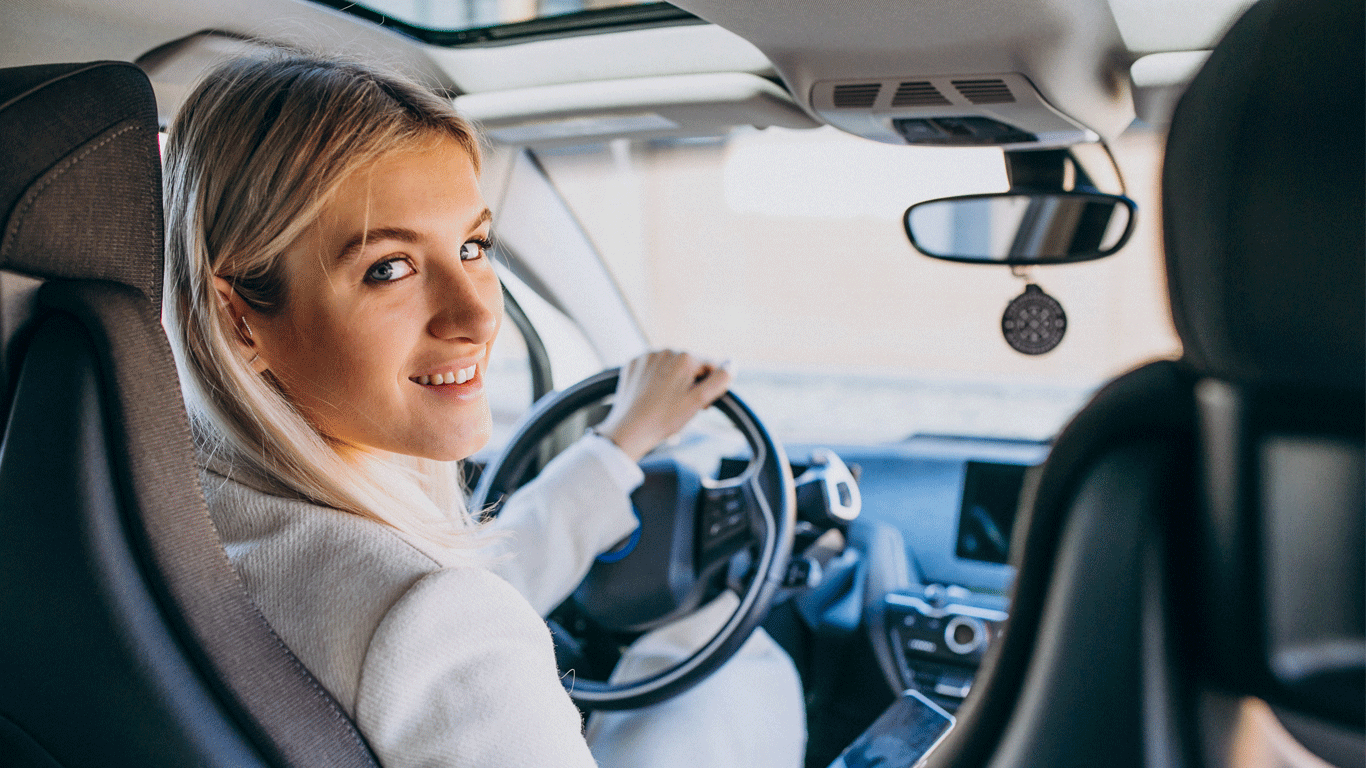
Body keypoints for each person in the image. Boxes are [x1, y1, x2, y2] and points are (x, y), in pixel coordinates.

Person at [161, 53, 804, 767]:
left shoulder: (169, 504)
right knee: (739, 678)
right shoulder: (426, 619)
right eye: (389, 268)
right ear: (240, 318)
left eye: (473, 246)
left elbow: (437, 599)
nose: (475, 315)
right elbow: (427, 615)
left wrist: (619, 444)